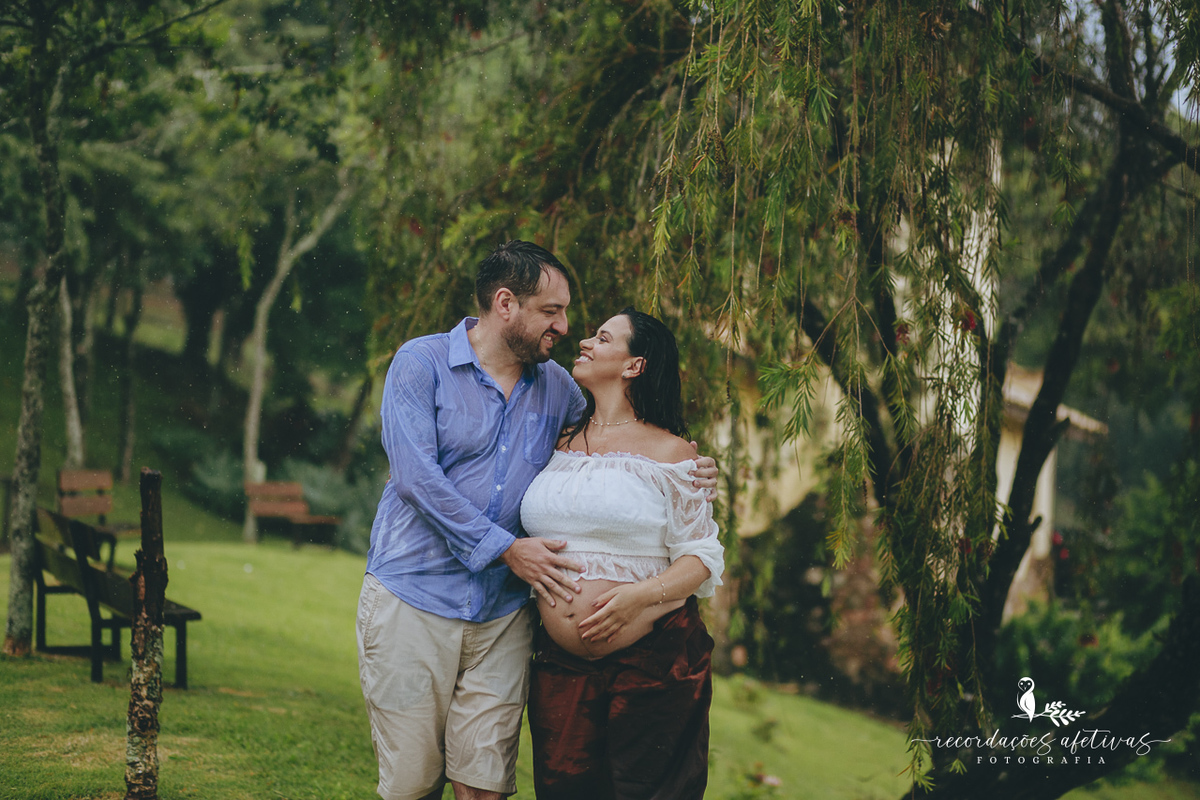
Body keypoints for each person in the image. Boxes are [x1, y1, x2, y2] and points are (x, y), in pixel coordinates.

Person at [356, 241, 717, 800]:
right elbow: (415, 478)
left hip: (503, 615)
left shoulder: (560, 390)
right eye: (552, 311)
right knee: (411, 785)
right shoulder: (421, 363)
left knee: (484, 787)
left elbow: (620, 446)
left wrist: (695, 470)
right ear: (506, 304)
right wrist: (506, 549)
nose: (566, 329)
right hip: (415, 594)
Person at [521, 307, 724, 800]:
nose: (585, 342)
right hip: (562, 669)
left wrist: (638, 598)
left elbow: (701, 558)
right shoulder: (558, 443)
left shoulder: (673, 453)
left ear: (634, 365)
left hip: (653, 664)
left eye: (603, 338)